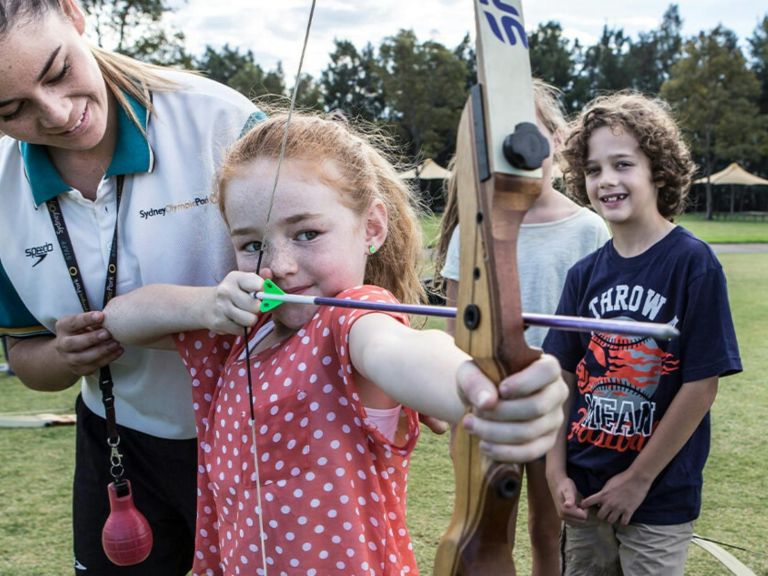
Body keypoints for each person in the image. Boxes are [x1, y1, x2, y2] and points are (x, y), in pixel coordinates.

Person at [102, 110, 569, 575]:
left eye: (307, 233)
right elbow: (121, 319)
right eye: (252, 244)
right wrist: (206, 305)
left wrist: (478, 388)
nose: (279, 264)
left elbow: (397, 350)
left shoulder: (351, 322)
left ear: (372, 229)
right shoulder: (244, 334)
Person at [0, 1, 263, 573]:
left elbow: (324, 290)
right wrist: (63, 354)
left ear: (73, 14)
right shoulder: (2, 195)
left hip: (260, 443)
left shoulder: (220, 123)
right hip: (118, 448)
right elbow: (24, 358)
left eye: (57, 71)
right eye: (11, 109)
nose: (57, 113)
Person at [543, 92, 742, 575]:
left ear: (658, 170)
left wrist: (638, 479)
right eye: (593, 170)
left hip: (656, 498)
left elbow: (701, 385)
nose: (607, 180)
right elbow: (562, 380)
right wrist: (555, 473)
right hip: (585, 491)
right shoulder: (583, 275)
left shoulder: (693, 264)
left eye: (623, 164)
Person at [434, 79, 610, 576]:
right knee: (487, 531)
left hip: (557, 404)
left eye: (529, 130)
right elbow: (453, 328)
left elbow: (596, 336)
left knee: (546, 529)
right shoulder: (475, 228)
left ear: (556, 138)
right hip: (487, 402)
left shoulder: (589, 229)